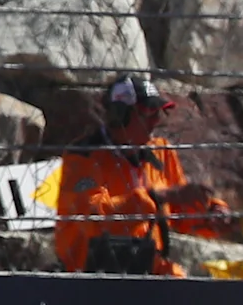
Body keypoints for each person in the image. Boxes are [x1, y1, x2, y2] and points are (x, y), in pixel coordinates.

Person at [55, 76, 230, 276]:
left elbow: (181, 214)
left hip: (149, 267)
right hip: (91, 274)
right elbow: (94, 220)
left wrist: (212, 214)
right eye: (148, 113)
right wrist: (158, 197)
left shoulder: (160, 151)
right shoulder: (83, 157)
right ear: (120, 116)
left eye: (158, 113)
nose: (156, 121)